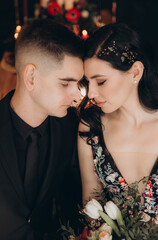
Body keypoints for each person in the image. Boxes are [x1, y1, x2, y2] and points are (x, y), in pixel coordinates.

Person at [0, 19, 84, 240]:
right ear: (31, 77)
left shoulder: (69, 128)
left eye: (78, 84)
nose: (76, 95)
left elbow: (73, 201)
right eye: (65, 83)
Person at [78, 23, 158, 224]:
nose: (91, 93)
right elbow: (91, 205)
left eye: (101, 81)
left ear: (135, 72)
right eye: (88, 82)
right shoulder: (91, 126)